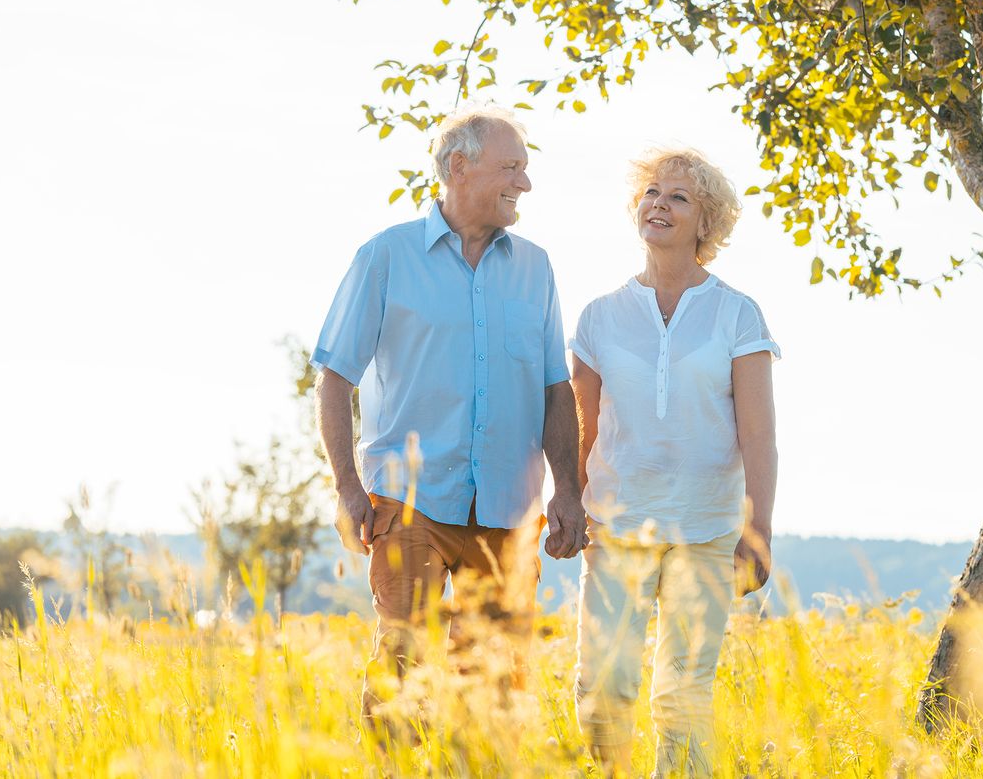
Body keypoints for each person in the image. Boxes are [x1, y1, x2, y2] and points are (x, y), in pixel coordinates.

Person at [309, 104, 587, 727]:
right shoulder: (385, 256)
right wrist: (349, 486)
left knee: (496, 682)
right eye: (511, 167)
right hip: (409, 501)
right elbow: (333, 377)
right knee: (405, 663)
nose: (525, 183)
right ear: (458, 167)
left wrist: (568, 488)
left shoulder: (536, 267)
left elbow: (554, 389)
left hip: (509, 508)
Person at [570, 147, 780, 778]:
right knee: (603, 687)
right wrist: (567, 504)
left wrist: (758, 530)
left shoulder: (736, 313)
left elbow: (759, 436)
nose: (658, 204)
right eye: (652, 193)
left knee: (683, 696)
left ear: (705, 223)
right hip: (616, 524)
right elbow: (581, 429)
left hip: (707, 529)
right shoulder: (600, 317)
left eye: (678, 197)